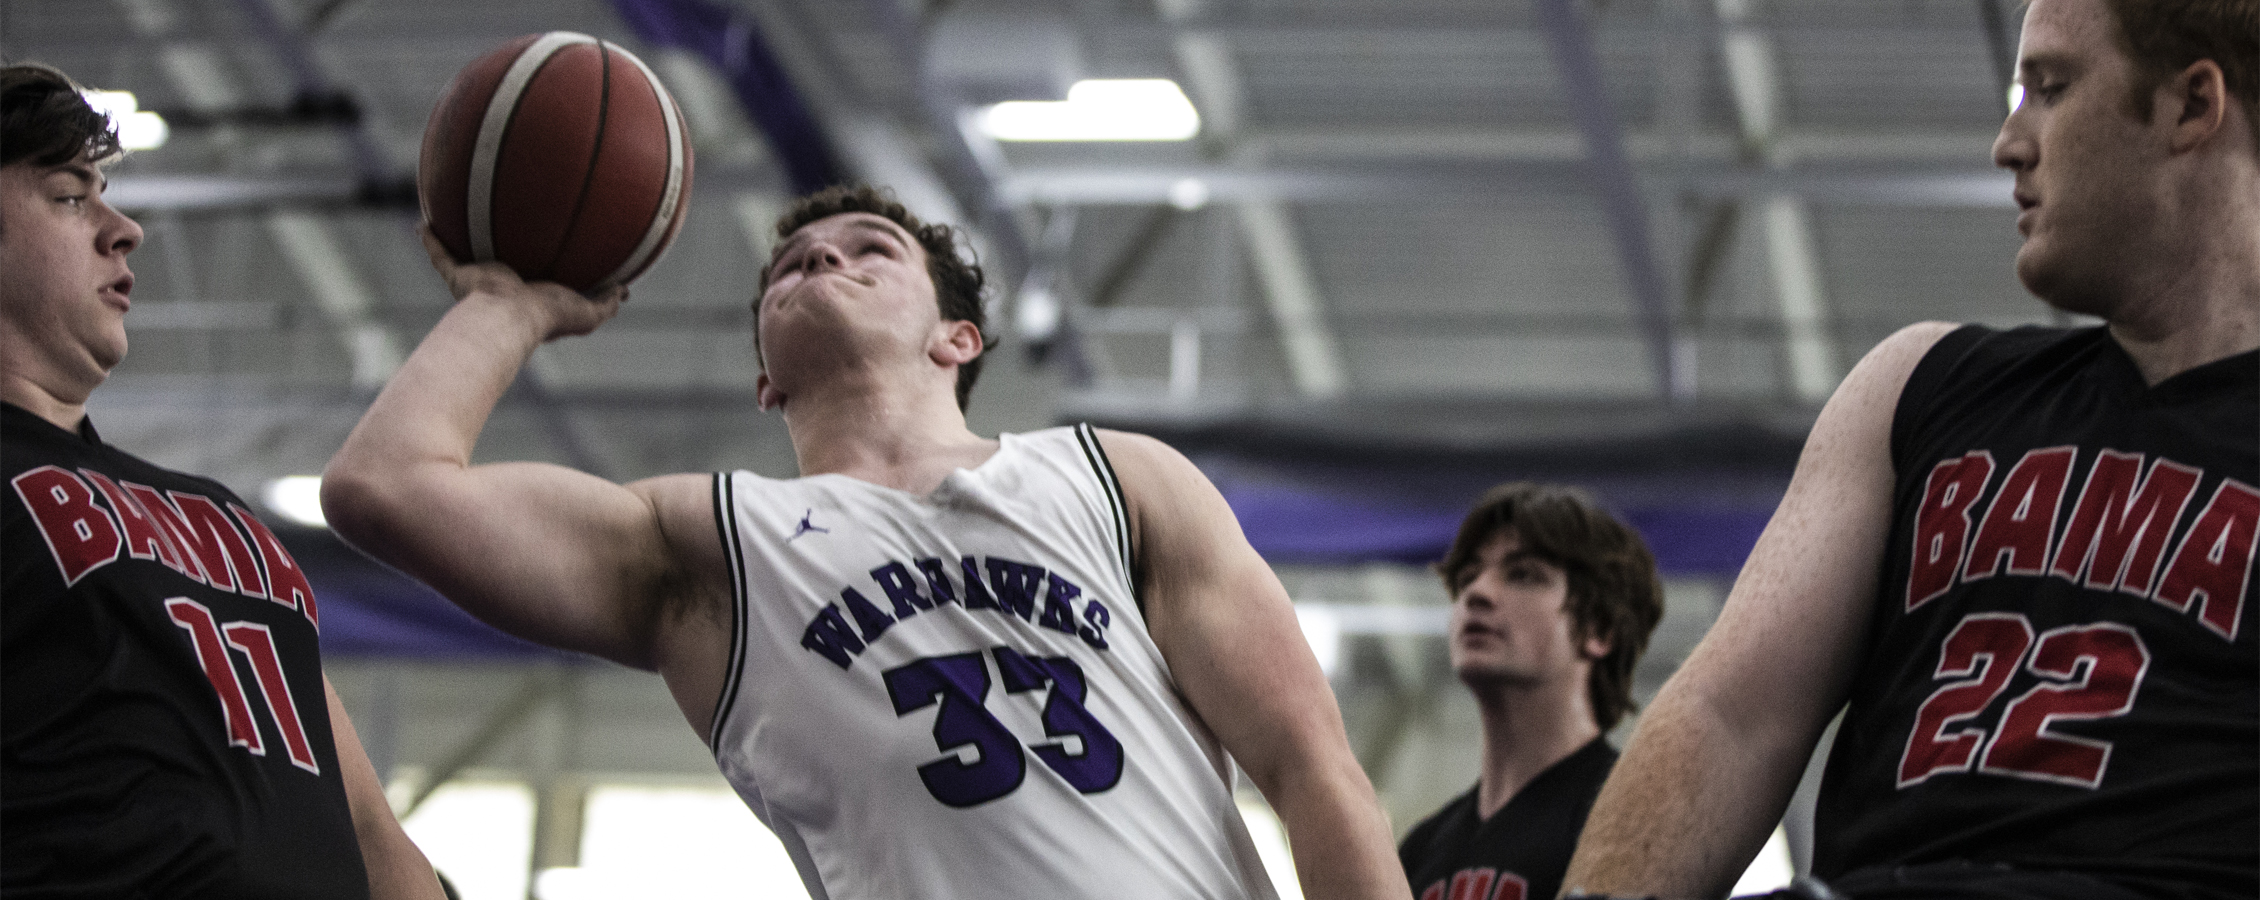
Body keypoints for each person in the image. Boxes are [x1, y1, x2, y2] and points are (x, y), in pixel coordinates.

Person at [319, 183, 1410, 900]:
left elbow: (1309, 764)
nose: (818, 264)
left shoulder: (1115, 479)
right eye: (788, 267)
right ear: (763, 376)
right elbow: (385, 487)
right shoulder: (708, 542)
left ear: (957, 336)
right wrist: (508, 304)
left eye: (867, 250)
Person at [1560, 1, 2258, 898]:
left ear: (2192, 106)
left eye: (2050, 89)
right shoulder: (1919, 387)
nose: (2009, 144)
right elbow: (1731, 716)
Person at [0, 63, 444, 898]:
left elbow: (372, 833)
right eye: (68, 197)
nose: (123, 227)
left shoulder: (220, 514)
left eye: (106, 192)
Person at [1397, 484, 1664, 900]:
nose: (1476, 594)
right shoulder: (1419, 849)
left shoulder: (1629, 814)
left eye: (1523, 575)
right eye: (1467, 578)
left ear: (1598, 629)